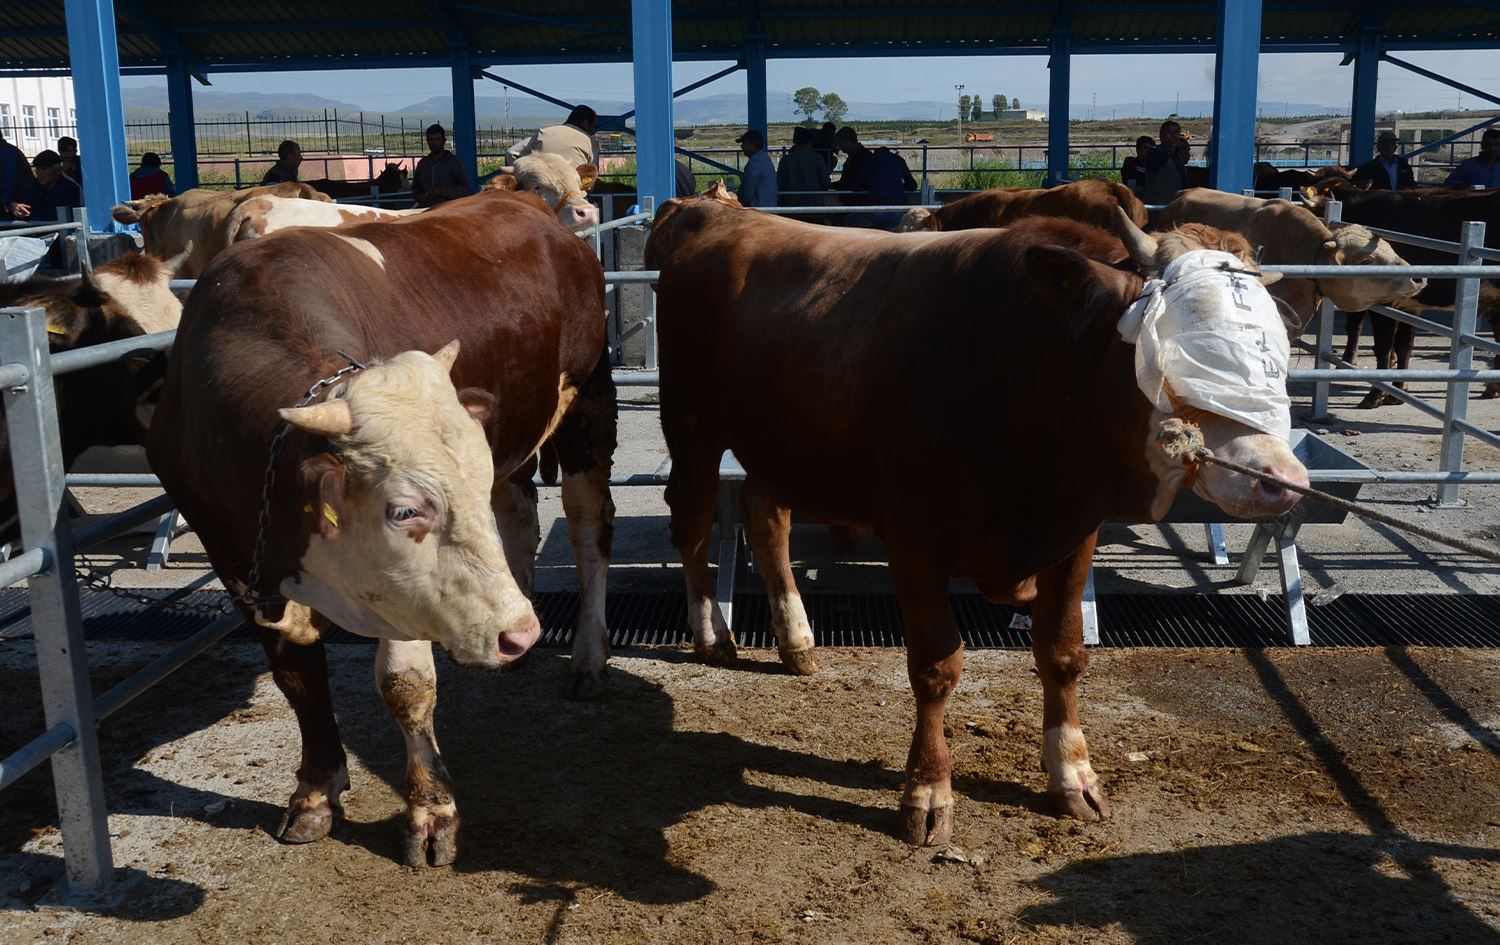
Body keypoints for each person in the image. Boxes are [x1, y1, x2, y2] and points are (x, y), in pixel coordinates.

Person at [505, 105, 599, 170]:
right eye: (594, 127)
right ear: (585, 123)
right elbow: (592, 172)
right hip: (573, 190)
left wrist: (525, 176)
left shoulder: (544, 133)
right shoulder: (591, 142)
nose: (594, 132)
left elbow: (511, 153)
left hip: (542, 188)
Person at [776, 125, 832, 218]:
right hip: (814, 207)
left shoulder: (785, 160)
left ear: (795, 142)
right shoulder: (817, 158)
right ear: (811, 142)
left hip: (790, 208)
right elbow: (826, 183)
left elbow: (779, 185)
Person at [412, 124, 472, 207]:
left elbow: (465, 190)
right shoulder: (422, 164)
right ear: (427, 141)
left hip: (448, 210)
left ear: (444, 140)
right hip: (427, 211)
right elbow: (415, 188)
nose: (434, 143)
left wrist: (441, 191)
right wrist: (418, 196)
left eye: (437, 139)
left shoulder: (453, 163)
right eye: (431, 139)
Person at [1141, 120, 1189, 205]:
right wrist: (1169, 150)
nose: (1173, 136)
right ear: (1161, 136)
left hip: (1176, 205)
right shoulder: (1154, 153)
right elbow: (1154, 164)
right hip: (1158, 206)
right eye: (1169, 133)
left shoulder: (1177, 156)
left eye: (1176, 133)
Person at [1352, 130, 1417, 190]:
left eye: (1392, 143)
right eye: (1385, 143)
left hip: (1402, 198)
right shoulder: (1369, 167)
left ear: (1395, 147)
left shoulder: (1404, 165)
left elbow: (1411, 184)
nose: (1389, 147)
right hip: (1379, 199)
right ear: (1379, 147)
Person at [28, 150, 81, 218]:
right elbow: (24, 202)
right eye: (38, 169)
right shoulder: (35, 185)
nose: (40, 173)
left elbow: (54, 214)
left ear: (57, 170)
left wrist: (28, 214)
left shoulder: (69, 188)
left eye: (45, 169)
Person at [734, 128, 776, 208]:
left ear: (753, 144)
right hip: (769, 207)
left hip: (759, 209)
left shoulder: (755, 162)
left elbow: (748, 195)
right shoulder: (765, 158)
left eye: (744, 143)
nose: (742, 146)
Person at [831, 126, 873, 205]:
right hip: (854, 199)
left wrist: (833, 185)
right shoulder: (859, 155)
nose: (839, 146)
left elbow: (855, 182)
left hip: (858, 201)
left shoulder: (863, 157)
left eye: (840, 142)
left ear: (847, 141)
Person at [0, 129, 37, 219]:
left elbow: (8, 182)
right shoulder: (10, 151)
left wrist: (9, 204)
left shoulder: (7, 153)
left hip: (18, 208)